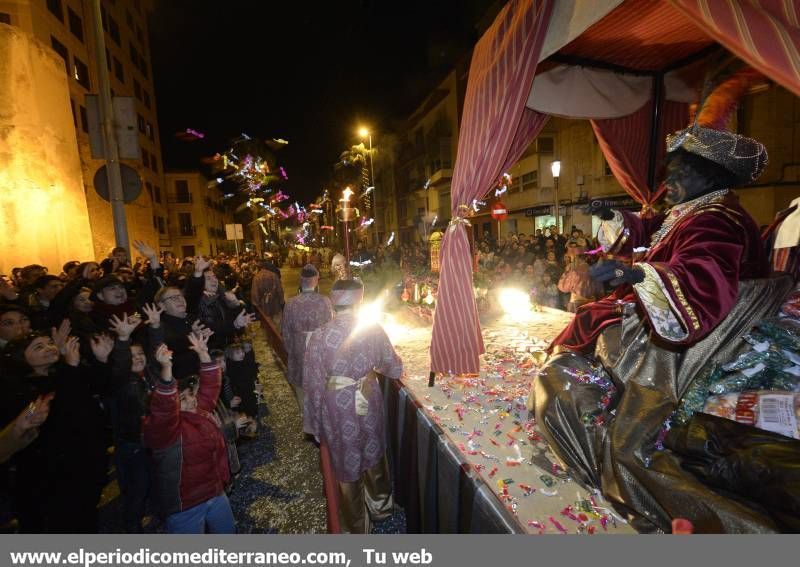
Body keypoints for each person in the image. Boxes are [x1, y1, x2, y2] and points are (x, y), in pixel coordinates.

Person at [531, 70, 778, 532]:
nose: (670, 178)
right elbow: (654, 231)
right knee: (585, 342)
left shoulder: (719, 219)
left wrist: (636, 272)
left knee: (623, 441)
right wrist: (612, 217)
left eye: (681, 169)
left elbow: (703, 283)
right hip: (651, 326)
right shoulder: (697, 211)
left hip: (690, 351)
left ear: (711, 173)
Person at [303, 279, 403, 533]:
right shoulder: (372, 329)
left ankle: (356, 527)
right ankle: (381, 506)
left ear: (334, 303)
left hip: (337, 407)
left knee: (346, 460)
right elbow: (393, 366)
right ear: (359, 300)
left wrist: (314, 424)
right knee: (373, 448)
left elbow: (313, 384)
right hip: (368, 396)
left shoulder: (320, 336)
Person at [143, 334, 235, 534]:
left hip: (215, 492)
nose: (192, 400)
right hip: (186, 506)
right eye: (182, 398)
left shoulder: (198, 412)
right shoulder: (165, 432)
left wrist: (203, 354)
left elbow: (210, 387)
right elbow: (163, 410)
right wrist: (166, 369)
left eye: (191, 394)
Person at [281, 265, 333, 418]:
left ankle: (306, 416)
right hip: (320, 353)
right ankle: (321, 416)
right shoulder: (325, 302)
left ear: (301, 281)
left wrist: (293, 351)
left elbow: (285, 333)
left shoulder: (291, 304)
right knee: (320, 386)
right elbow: (331, 328)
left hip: (299, 353)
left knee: (301, 387)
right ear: (316, 281)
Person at [250, 259, 284, 328]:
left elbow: (255, 294)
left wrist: (256, 305)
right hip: (275, 305)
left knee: (268, 326)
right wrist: (282, 302)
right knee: (277, 324)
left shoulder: (256, 278)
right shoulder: (274, 275)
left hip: (264, 307)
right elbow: (279, 290)